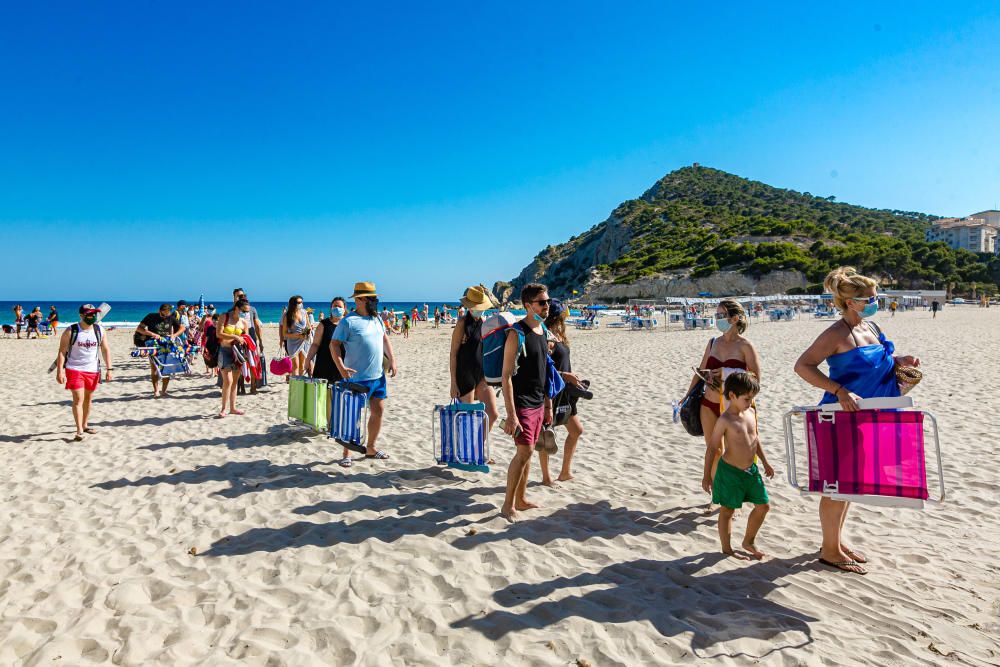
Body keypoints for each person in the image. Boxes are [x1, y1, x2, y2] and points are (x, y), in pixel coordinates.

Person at [794, 266, 920, 575]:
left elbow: (880, 362)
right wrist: (838, 390)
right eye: (870, 298)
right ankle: (828, 550)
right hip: (840, 418)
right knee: (836, 487)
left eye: (877, 297)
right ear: (850, 302)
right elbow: (803, 366)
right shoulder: (835, 334)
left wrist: (899, 361)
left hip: (868, 416)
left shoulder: (871, 328)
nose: (876, 301)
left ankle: (836, 541)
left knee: (850, 485)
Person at [686, 299, 761, 487]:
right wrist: (687, 396)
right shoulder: (713, 343)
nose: (717, 319)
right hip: (708, 404)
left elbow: (756, 379)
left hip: (735, 408)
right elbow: (700, 371)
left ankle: (734, 495)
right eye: (716, 315)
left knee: (735, 452)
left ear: (735, 318)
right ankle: (718, 496)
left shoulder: (745, 346)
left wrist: (728, 373)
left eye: (721, 316)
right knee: (714, 450)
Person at [702, 371, 773, 560]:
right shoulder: (725, 420)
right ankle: (727, 548)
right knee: (727, 510)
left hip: (751, 471)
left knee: (763, 506)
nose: (750, 402)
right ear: (732, 396)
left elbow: (754, 440)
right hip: (730, 473)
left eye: (752, 399)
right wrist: (707, 475)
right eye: (747, 398)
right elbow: (712, 449)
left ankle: (748, 541)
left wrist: (765, 462)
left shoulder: (750, 412)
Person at [500, 283, 553, 522]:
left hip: (538, 403)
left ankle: (520, 500)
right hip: (522, 403)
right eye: (542, 302)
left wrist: (548, 405)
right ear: (528, 306)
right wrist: (511, 414)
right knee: (524, 451)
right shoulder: (516, 333)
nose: (547, 306)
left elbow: (544, 371)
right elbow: (506, 377)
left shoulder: (542, 331)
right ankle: (507, 505)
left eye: (548, 302)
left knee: (528, 454)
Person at [331, 282, 397, 465]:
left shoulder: (377, 319)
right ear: (359, 300)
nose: (374, 301)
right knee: (352, 416)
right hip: (356, 378)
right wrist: (341, 367)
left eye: (375, 298)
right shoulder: (348, 321)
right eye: (371, 298)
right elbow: (334, 344)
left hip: (378, 376)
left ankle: (371, 447)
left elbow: (385, 338)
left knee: (379, 410)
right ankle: (347, 453)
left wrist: (392, 359)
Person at [539, 298, 585, 486]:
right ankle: (546, 477)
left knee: (576, 430)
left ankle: (565, 472)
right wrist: (565, 375)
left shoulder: (557, 335)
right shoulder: (546, 337)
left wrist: (572, 378)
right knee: (546, 434)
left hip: (565, 392)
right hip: (550, 392)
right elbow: (541, 369)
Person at [56, 304, 112, 441]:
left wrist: (109, 369)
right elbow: (62, 352)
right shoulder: (71, 330)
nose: (92, 316)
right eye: (89, 314)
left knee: (88, 399)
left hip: (93, 370)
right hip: (74, 369)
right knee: (78, 399)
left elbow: (105, 350)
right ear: (81, 315)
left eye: (94, 314)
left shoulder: (100, 330)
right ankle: (79, 430)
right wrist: (59, 372)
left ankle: (85, 425)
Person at [449, 285, 500, 432]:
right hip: (465, 374)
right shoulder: (462, 323)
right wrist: (453, 383)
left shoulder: (485, 322)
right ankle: (468, 452)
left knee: (492, 414)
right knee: (467, 418)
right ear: (470, 307)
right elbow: (453, 354)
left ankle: (478, 447)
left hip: (482, 374)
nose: (480, 309)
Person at [136, 303, 184, 397]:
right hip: (153, 344)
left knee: (167, 368)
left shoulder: (170, 317)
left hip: (167, 344)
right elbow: (139, 329)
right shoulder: (151, 316)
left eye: (167, 313)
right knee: (154, 369)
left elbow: (182, 327)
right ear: (159, 311)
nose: (165, 316)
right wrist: (151, 334)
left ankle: (164, 391)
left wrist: (174, 335)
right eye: (163, 314)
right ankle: (156, 391)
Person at [216, 300, 249, 417]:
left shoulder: (244, 322)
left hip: (238, 353)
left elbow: (246, 338)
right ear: (236, 308)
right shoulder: (224, 317)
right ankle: (223, 409)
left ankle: (233, 408)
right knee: (228, 381)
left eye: (246, 312)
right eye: (243, 311)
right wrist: (235, 336)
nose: (245, 313)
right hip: (225, 351)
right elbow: (218, 334)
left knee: (235, 381)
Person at [305, 296, 347, 385]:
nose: (337, 308)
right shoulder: (323, 324)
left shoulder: (348, 324)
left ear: (344, 308)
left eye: (340, 307)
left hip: (342, 366)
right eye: (335, 306)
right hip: (324, 365)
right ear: (331, 308)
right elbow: (315, 344)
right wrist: (308, 359)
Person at [281, 295, 312, 377]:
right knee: (295, 366)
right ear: (293, 303)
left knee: (302, 366)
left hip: (304, 341)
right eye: (299, 302)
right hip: (293, 342)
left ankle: (301, 386)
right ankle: (296, 387)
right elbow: (284, 333)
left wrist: (307, 332)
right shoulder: (287, 316)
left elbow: (308, 326)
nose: (301, 304)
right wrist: (298, 335)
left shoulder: (304, 312)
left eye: (302, 302)